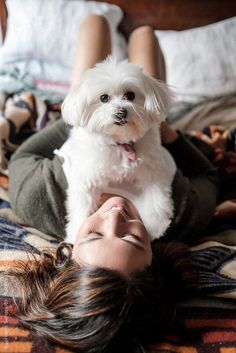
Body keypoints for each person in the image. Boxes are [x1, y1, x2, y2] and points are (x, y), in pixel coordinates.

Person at [7, 14, 235, 353]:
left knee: (94, 26)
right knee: (145, 37)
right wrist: (164, 132)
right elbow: (206, 176)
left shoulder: (42, 199)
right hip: (151, 128)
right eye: (132, 237)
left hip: (84, 121)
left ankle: (97, 50)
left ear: (69, 250)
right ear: (154, 258)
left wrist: (77, 123)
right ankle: (141, 46)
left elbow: (23, 157)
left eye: (94, 233)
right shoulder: (181, 215)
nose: (115, 214)